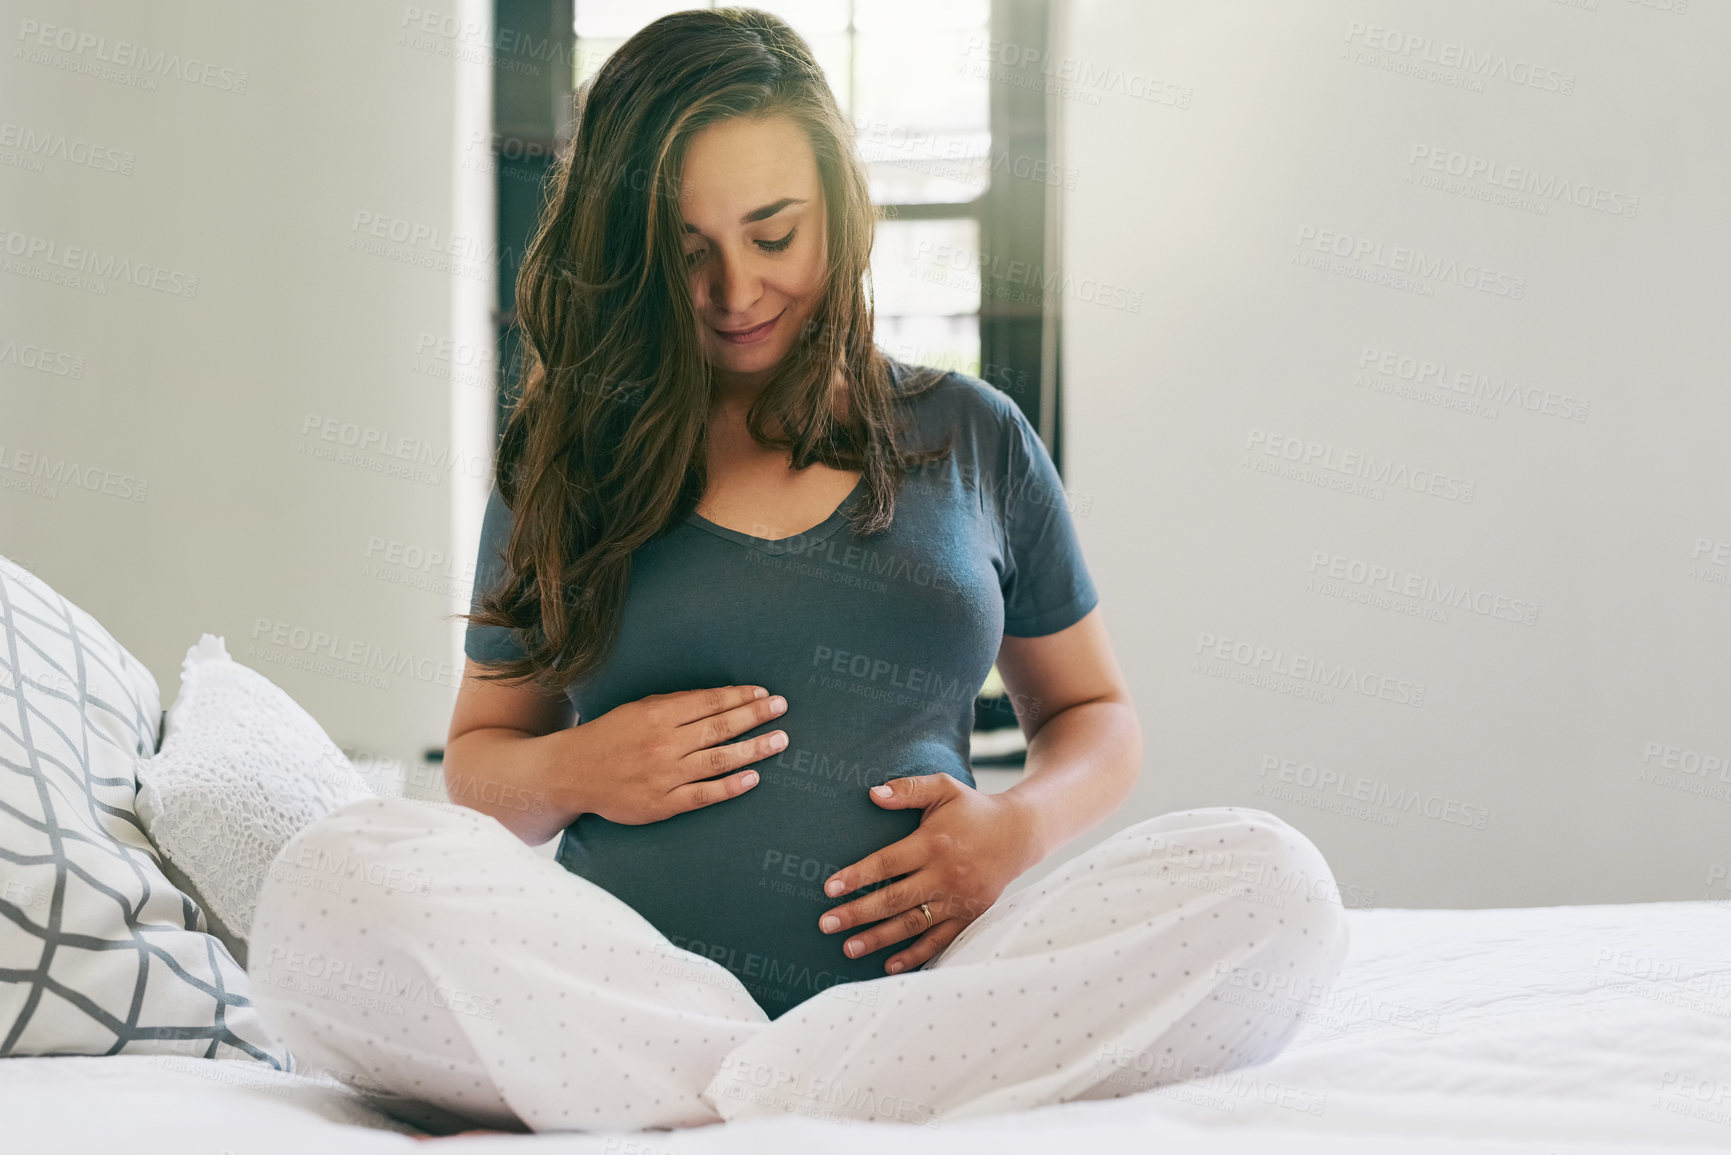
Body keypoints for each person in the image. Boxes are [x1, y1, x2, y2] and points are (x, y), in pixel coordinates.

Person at [245, 6, 1351, 1135]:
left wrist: (1016, 830)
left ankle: (734, 1101)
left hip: (937, 990)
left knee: (1277, 885)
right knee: (335, 879)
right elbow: (480, 770)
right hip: (633, 987)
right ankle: (830, 1091)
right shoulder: (565, 463)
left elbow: (1095, 713)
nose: (737, 293)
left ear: (842, 206)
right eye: (687, 255)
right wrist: (582, 766)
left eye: (775, 234)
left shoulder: (974, 434)